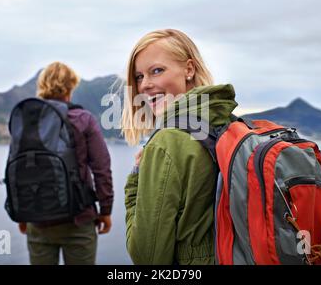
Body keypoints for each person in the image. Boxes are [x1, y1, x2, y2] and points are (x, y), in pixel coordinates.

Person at [122, 29, 238, 265]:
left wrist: (136, 179)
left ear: (189, 69)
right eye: (138, 77)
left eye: (156, 71)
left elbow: (148, 259)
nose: (144, 85)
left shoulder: (167, 142)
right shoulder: (225, 123)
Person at [20, 61, 114, 265]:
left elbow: (17, 167)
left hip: (37, 218)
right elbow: (102, 168)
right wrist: (106, 210)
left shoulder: (27, 121)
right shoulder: (83, 119)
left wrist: (21, 213)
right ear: (71, 87)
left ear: (42, 86)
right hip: (79, 219)